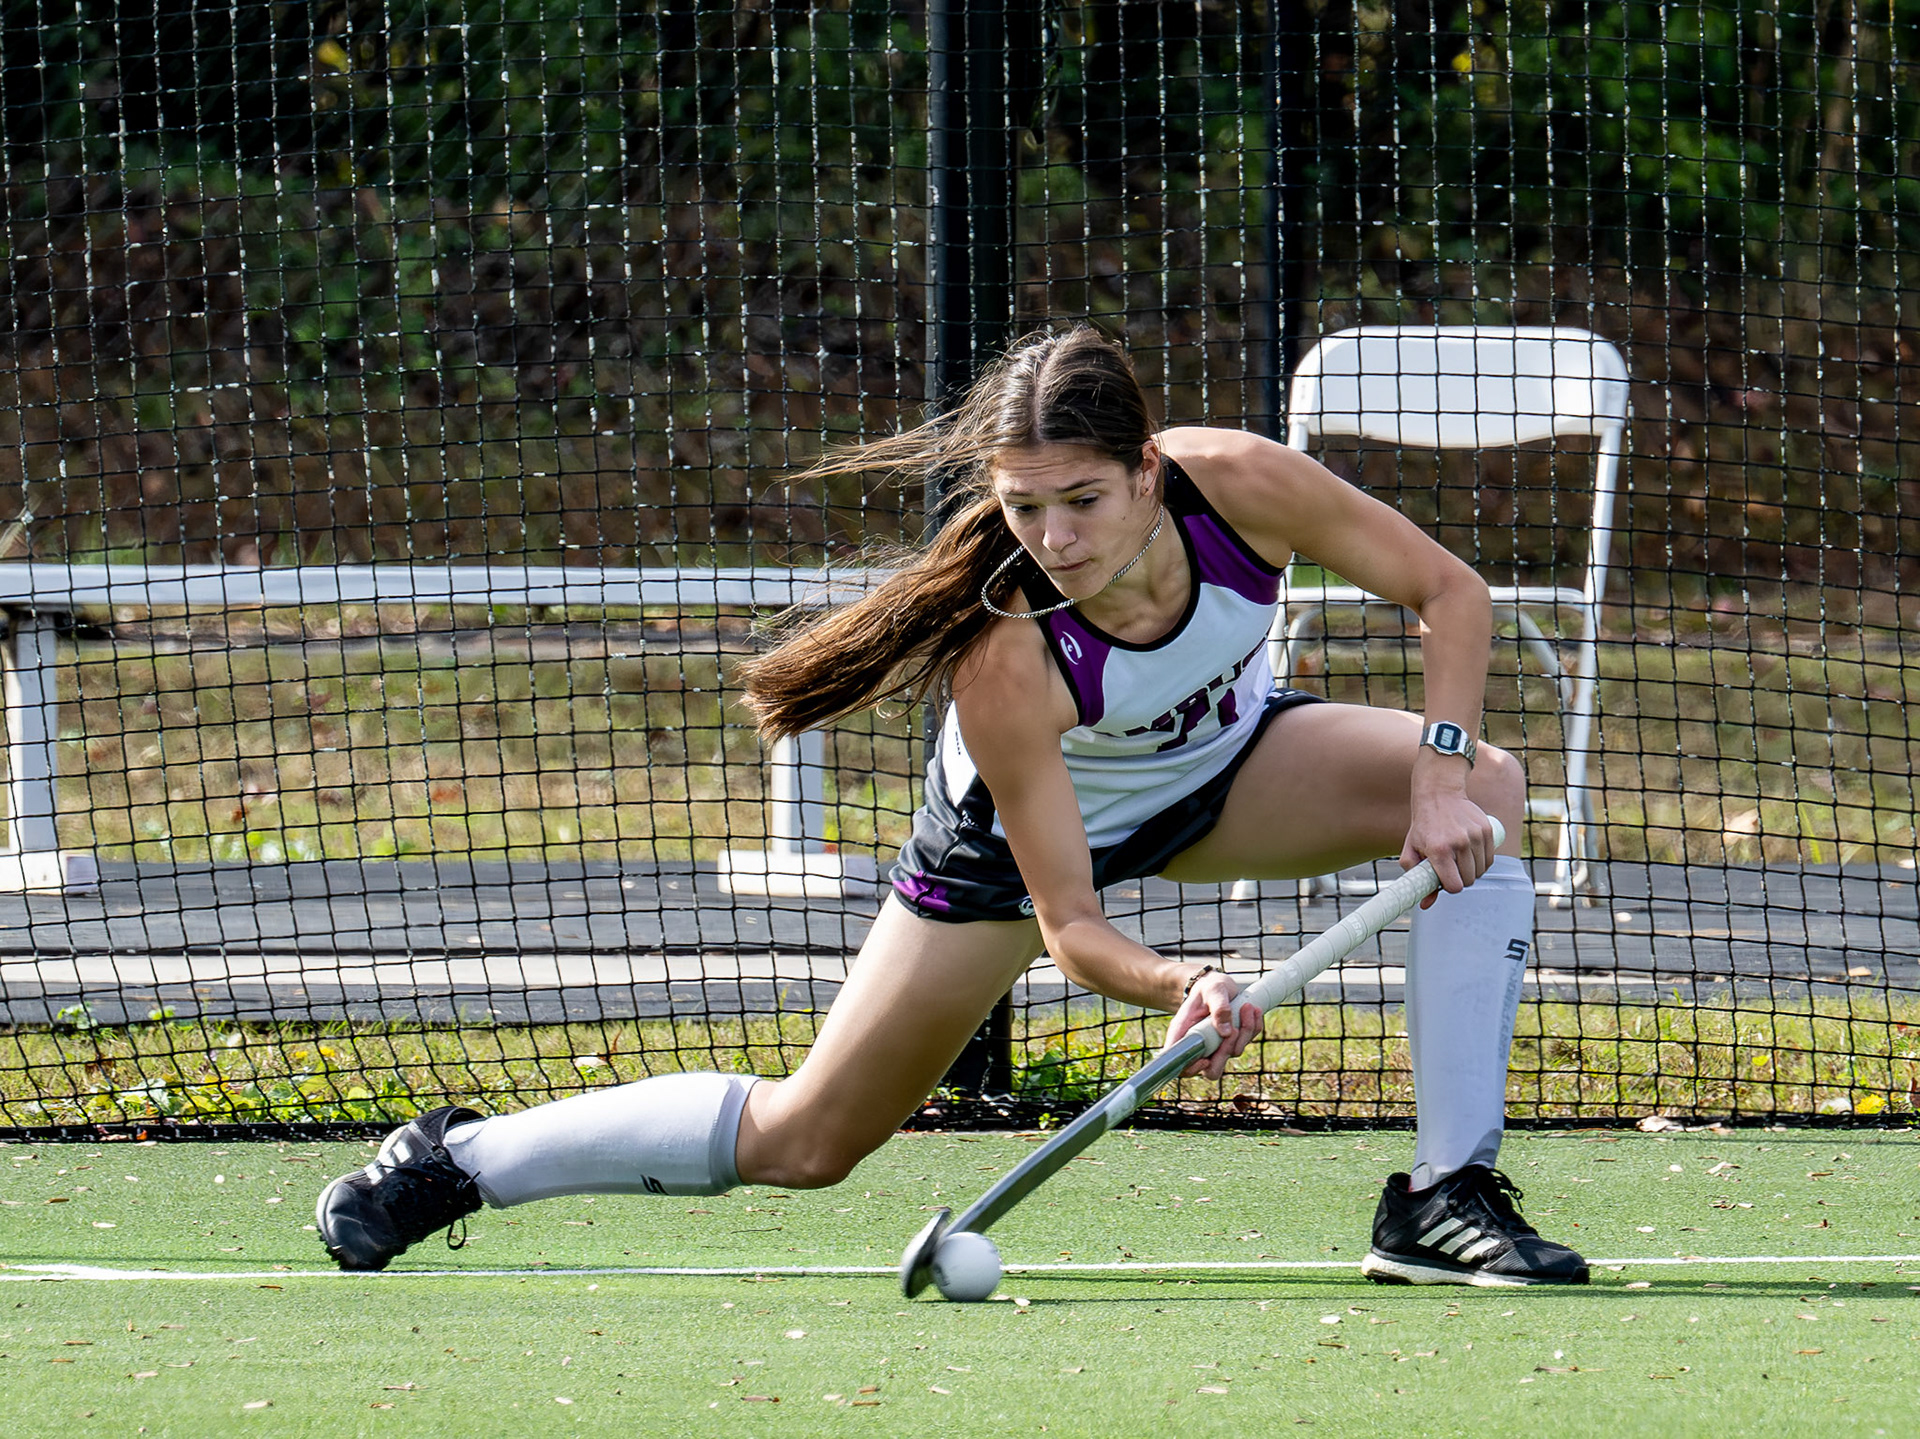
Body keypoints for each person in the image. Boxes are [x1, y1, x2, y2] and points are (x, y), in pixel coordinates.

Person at [315, 326, 1587, 1287]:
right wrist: (1178, 984)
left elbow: (1451, 594)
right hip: (1013, 858)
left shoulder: (1241, 484)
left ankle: (1442, 1192)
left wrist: (1433, 774)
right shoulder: (1005, 656)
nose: (1057, 536)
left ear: (1148, 472)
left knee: (1490, 787)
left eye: (1082, 500)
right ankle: (458, 1157)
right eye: (1025, 507)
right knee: (809, 1139)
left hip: (1227, 767)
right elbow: (1076, 929)